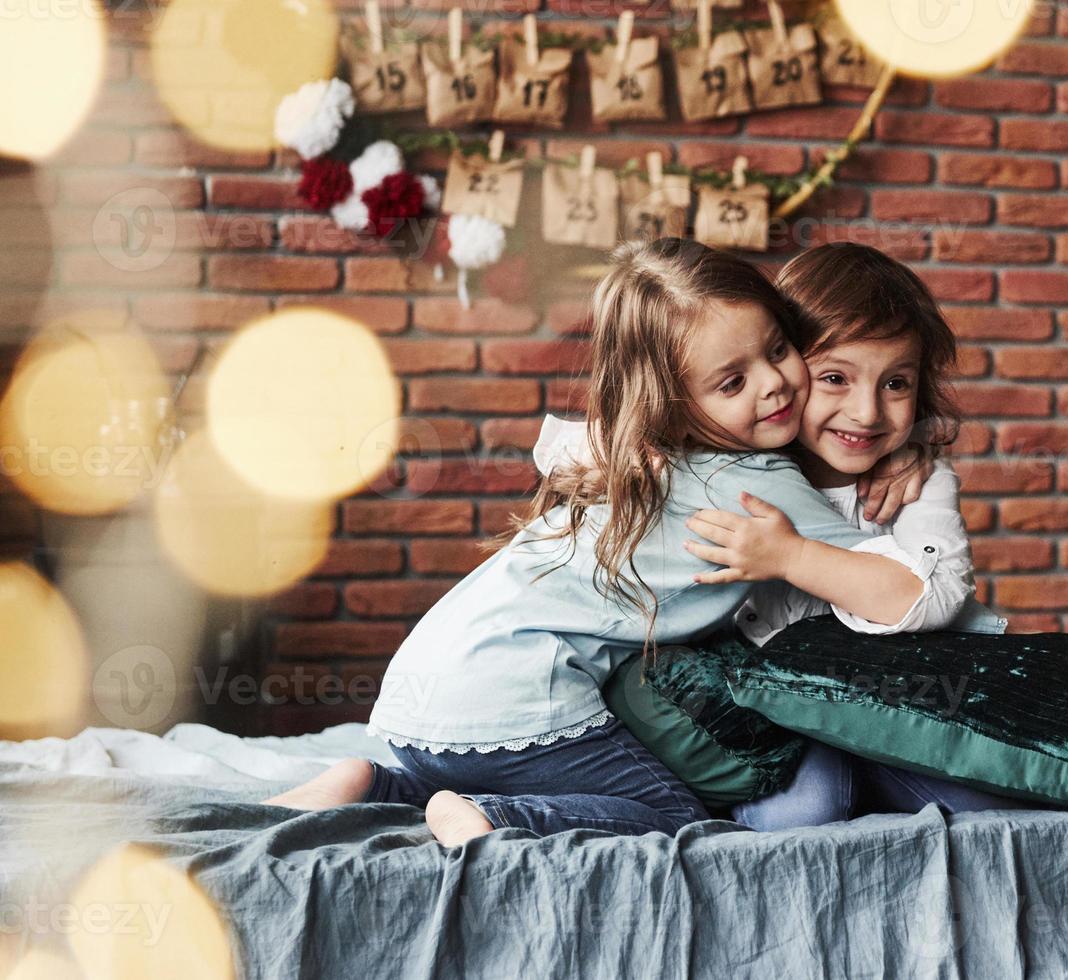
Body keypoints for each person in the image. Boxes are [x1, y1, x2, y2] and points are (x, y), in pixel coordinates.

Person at [263, 238, 961, 845]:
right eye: (732, 381)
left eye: (776, 350)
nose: (774, 384)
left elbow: (580, 442)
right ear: (679, 401)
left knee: (495, 760)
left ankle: (377, 785)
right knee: (675, 816)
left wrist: (907, 451)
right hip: (516, 696)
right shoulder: (756, 484)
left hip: (421, 696)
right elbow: (905, 588)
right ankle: (494, 817)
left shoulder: (636, 451)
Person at [536, 242, 1026, 831]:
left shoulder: (916, 479)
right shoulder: (740, 452)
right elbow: (572, 444)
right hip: (782, 709)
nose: (867, 412)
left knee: (1000, 809)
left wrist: (793, 553)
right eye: (835, 378)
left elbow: (939, 594)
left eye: (896, 383)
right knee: (808, 810)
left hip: (903, 699)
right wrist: (631, 449)